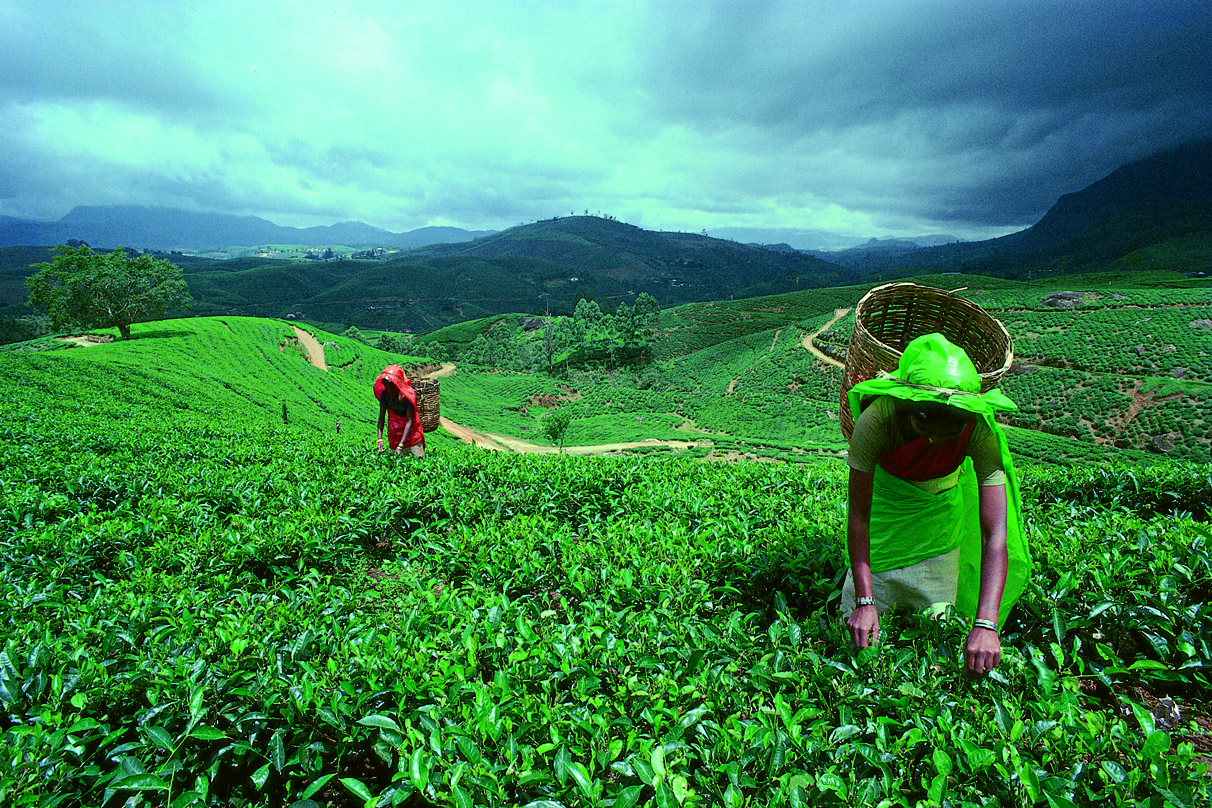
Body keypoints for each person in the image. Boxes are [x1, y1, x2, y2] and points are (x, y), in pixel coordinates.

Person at [842, 333, 1031, 676]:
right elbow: (859, 517)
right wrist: (865, 601)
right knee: (855, 643)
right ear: (906, 404)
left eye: (948, 434)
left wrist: (986, 624)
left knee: (935, 647)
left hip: (938, 535)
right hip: (884, 530)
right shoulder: (877, 420)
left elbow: (995, 533)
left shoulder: (978, 430)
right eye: (924, 424)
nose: (934, 442)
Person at [374, 365, 425, 457]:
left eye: (391, 387)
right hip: (394, 436)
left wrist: (401, 445)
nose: (388, 389)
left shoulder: (408, 397)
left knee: (416, 463)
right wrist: (379, 439)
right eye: (386, 386)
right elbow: (381, 417)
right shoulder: (385, 395)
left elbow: (409, 421)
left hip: (411, 437)